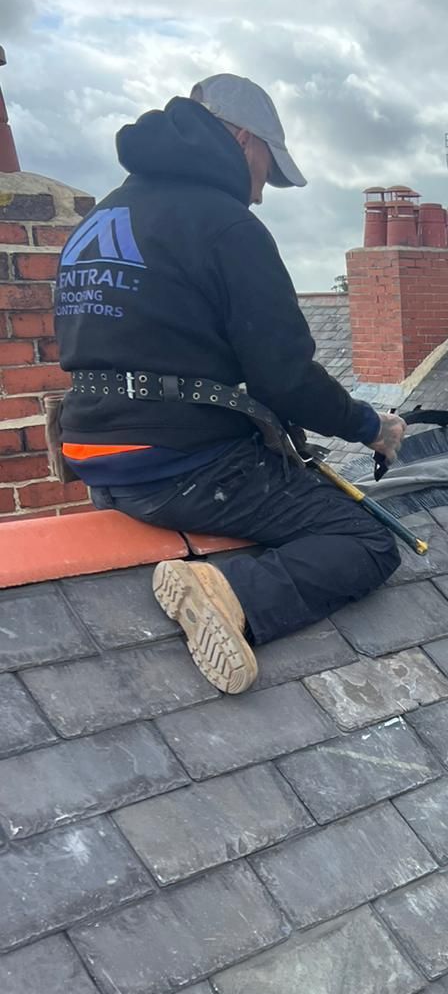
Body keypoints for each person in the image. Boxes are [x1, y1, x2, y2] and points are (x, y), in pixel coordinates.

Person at [53, 74, 406, 695]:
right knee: (363, 539)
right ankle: (229, 596)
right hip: (179, 465)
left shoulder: (105, 215)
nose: (263, 195)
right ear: (244, 139)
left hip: (95, 456)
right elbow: (285, 375)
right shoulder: (224, 225)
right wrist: (372, 426)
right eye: (268, 172)